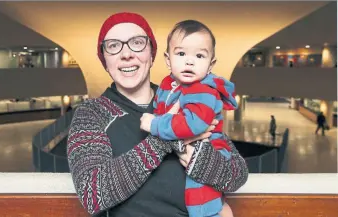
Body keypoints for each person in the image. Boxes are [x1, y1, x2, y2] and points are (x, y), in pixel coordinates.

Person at [67, 12, 248, 217]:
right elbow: (93, 194)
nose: (126, 54)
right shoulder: (91, 114)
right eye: (113, 45)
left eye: (137, 43)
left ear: (152, 54)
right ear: (104, 60)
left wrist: (202, 161)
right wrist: (165, 137)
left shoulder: (187, 97)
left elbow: (237, 175)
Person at [140, 20, 238, 217]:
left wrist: (155, 124)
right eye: (181, 54)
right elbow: (163, 110)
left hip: (210, 150)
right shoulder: (168, 85)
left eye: (199, 55)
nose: (189, 61)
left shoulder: (203, 90)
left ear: (211, 64)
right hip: (188, 151)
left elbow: (194, 124)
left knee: (199, 199)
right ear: (168, 60)